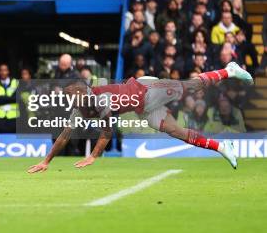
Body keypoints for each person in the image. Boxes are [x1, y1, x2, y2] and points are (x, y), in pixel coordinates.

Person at [27, 62, 252, 173]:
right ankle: (222, 147)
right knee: (177, 132)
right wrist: (46, 161)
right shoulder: (79, 107)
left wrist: (93, 157)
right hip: (143, 108)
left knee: (191, 86)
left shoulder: (100, 100)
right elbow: (65, 136)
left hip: (149, 89)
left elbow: (107, 132)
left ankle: (229, 70)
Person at [0, 64, 19, 133]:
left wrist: (2, 98)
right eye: (1, 70)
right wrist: (10, 98)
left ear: (8, 71)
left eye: (5, 70)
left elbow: (17, 98)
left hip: (14, 117)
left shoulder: (16, 83)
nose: (3, 72)